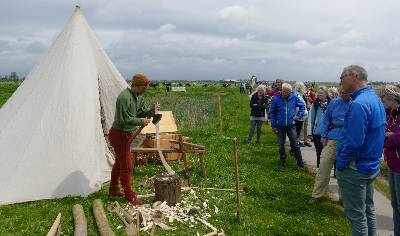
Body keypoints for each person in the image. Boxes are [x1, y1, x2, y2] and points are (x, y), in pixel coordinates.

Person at [336, 65, 386, 236]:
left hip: (355, 166)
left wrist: (341, 163)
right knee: (368, 210)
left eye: (342, 76)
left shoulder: (359, 103)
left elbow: (354, 142)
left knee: (357, 215)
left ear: (353, 76)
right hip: (370, 165)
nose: (340, 81)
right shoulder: (375, 99)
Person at [108, 74, 159, 205]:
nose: (144, 90)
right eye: (142, 87)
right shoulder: (124, 97)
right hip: (118, 134)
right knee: (127, 166)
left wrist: (152, 111)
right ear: (135, 85)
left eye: (145, 88)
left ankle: (113, 190)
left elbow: (142, 112)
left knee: (119, 164)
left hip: (125, 134)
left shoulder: (138, 97)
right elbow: (124, 119)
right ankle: (129, 196)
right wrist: (142, 121)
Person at [309, 86, 350, 204]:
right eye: (341, 90)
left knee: (344, 171)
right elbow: (326, 119)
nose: (343, 92)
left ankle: (344, 198)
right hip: (332, 138)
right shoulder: (334, 103)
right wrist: (324, 135)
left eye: (346, 90)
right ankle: (317, 195)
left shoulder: (355, 103)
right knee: (324, 167)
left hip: (347, 140)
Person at [269, 83, 305, 167]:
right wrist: (273, 125)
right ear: (281, 90)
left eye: (288, 92)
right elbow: (272, 112)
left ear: (290, 91)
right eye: (284, 91)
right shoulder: (276, 98)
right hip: (280, 125)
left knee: (295, 143)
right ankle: (282, 160)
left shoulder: (294, 97)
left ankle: (300, 162)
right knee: (281, 144)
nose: (286, 94)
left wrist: (299, 116)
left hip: (290, 124)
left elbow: (303, 106)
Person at [381, 85, 400, 235]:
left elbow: (397, 138)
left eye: (384, 97)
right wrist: (389, 135)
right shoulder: (389, 114)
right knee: (394, 204)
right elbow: (384, 134)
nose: (383, 100)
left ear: (392, 98)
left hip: (399, 165)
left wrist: (389, 136)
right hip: (392, 162)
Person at [310, 86, 330, 168]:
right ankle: (319, 168)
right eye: (318, 93)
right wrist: (311, 132)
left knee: (329, 153)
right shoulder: (315, 104)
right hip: (317, 132)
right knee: (319, 151)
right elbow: (312, 118)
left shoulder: (331, 103)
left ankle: (332, 170)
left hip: (329, 133)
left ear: (326, 94)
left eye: (322, 93)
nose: (319, 95)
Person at [294, 82, 308, 146]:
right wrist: (298, 115)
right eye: (303, 87)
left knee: (297, 132)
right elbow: (297, 107)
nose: (304, 89)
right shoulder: (297, 95)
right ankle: (294, 147)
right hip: (298, 117)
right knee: (297, 132)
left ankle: (295, 145)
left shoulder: (299, 95)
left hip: (300, 117)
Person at [302, 82, 315, 147]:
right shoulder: (303, 93)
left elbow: (314, 101)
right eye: (307, 86)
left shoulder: (311, 93)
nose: (308, 87)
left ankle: (305, 140)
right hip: (302, 110)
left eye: (309, 86)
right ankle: (301, 140)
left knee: (306, 125)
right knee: (302, 126)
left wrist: (310, 99)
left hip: (308, 109)